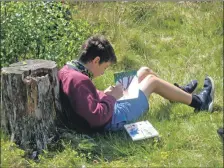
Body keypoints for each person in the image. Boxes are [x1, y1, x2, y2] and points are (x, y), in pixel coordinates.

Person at [57, 35, 215, 133]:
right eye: (105, 68)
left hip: (106, 105)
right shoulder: (79, 80)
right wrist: (111, 98)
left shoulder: (70, 70)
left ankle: (176, 93)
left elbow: (87, 101)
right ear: (96, 60)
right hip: (112, 119)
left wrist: (104, 94)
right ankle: (199, 103)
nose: (103, 73)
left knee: (144, 71)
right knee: (152, 82)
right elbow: (96, 118)